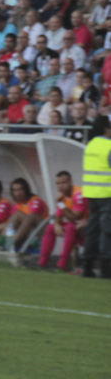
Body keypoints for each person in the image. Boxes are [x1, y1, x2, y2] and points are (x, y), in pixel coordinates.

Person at [80, 114, 111, 278]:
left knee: (92, 230)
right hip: (107, 194)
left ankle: (87, 266)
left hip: (91, 193)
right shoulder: (109, 146)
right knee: (107, 231)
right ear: (106, 129)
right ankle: (106, 269)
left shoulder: (90, 145)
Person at [38, 171, 87, 271]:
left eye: (64, 182)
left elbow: (74, 218)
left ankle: (61, 265)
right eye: (58, 183)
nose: (60, 186)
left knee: (70, 227)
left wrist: (60, 203)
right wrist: (56, 225)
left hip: (88, 229)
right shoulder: (62, 195)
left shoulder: (79, 194)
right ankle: (42, 263)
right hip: (77, 227)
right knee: (50, 228)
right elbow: (58, 215)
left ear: (71, 182)